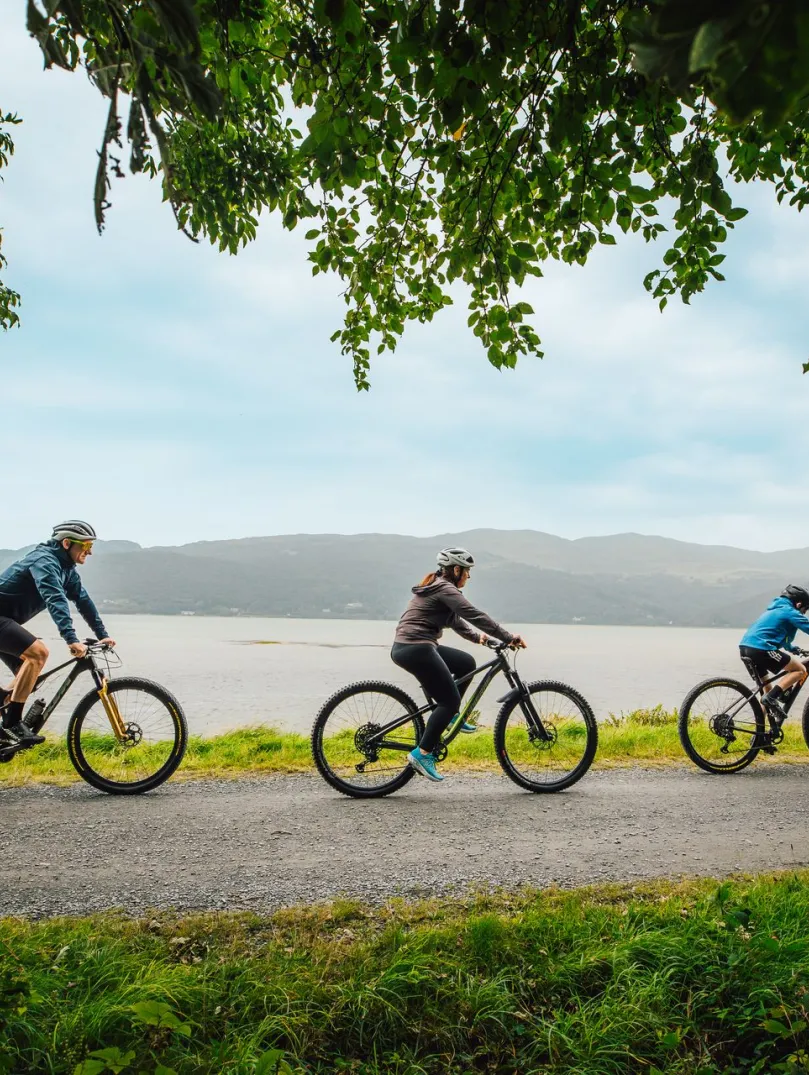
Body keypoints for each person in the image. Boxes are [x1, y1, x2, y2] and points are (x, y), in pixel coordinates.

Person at [391, 546, 526, 782]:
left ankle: (451, 716)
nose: (469, 576)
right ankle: (422, 753)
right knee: (450, 700)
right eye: (467, 571)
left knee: (465, 663)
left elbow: (455, 620)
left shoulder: (438, 587)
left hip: (412, 646)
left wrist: (482, 639)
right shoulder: (445, 588)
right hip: (416, 648)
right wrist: (507, 637)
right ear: (456, 569)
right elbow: (473, 614)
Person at [0, 520, 116, 751]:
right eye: (85, 546)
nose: (89, 551)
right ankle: (13, 724)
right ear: (66, 543)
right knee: (38, 653)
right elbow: (54, 598)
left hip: (6, 622)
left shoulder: (67, 571)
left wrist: (102, 635)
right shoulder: (44, 561)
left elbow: (83, 601)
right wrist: (71, 638)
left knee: (28, 679)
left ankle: (3, 728)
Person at [739, 584, 809, 725]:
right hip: (761, 648)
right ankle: (772, 698)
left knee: (767, 689)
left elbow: (778, 636)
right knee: (800, 670)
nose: (804, 613)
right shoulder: (790, 612)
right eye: (805, 609)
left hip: (745, 648)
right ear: (799, 604)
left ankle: (759, 735)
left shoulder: (774, 610)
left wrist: (793, 649)